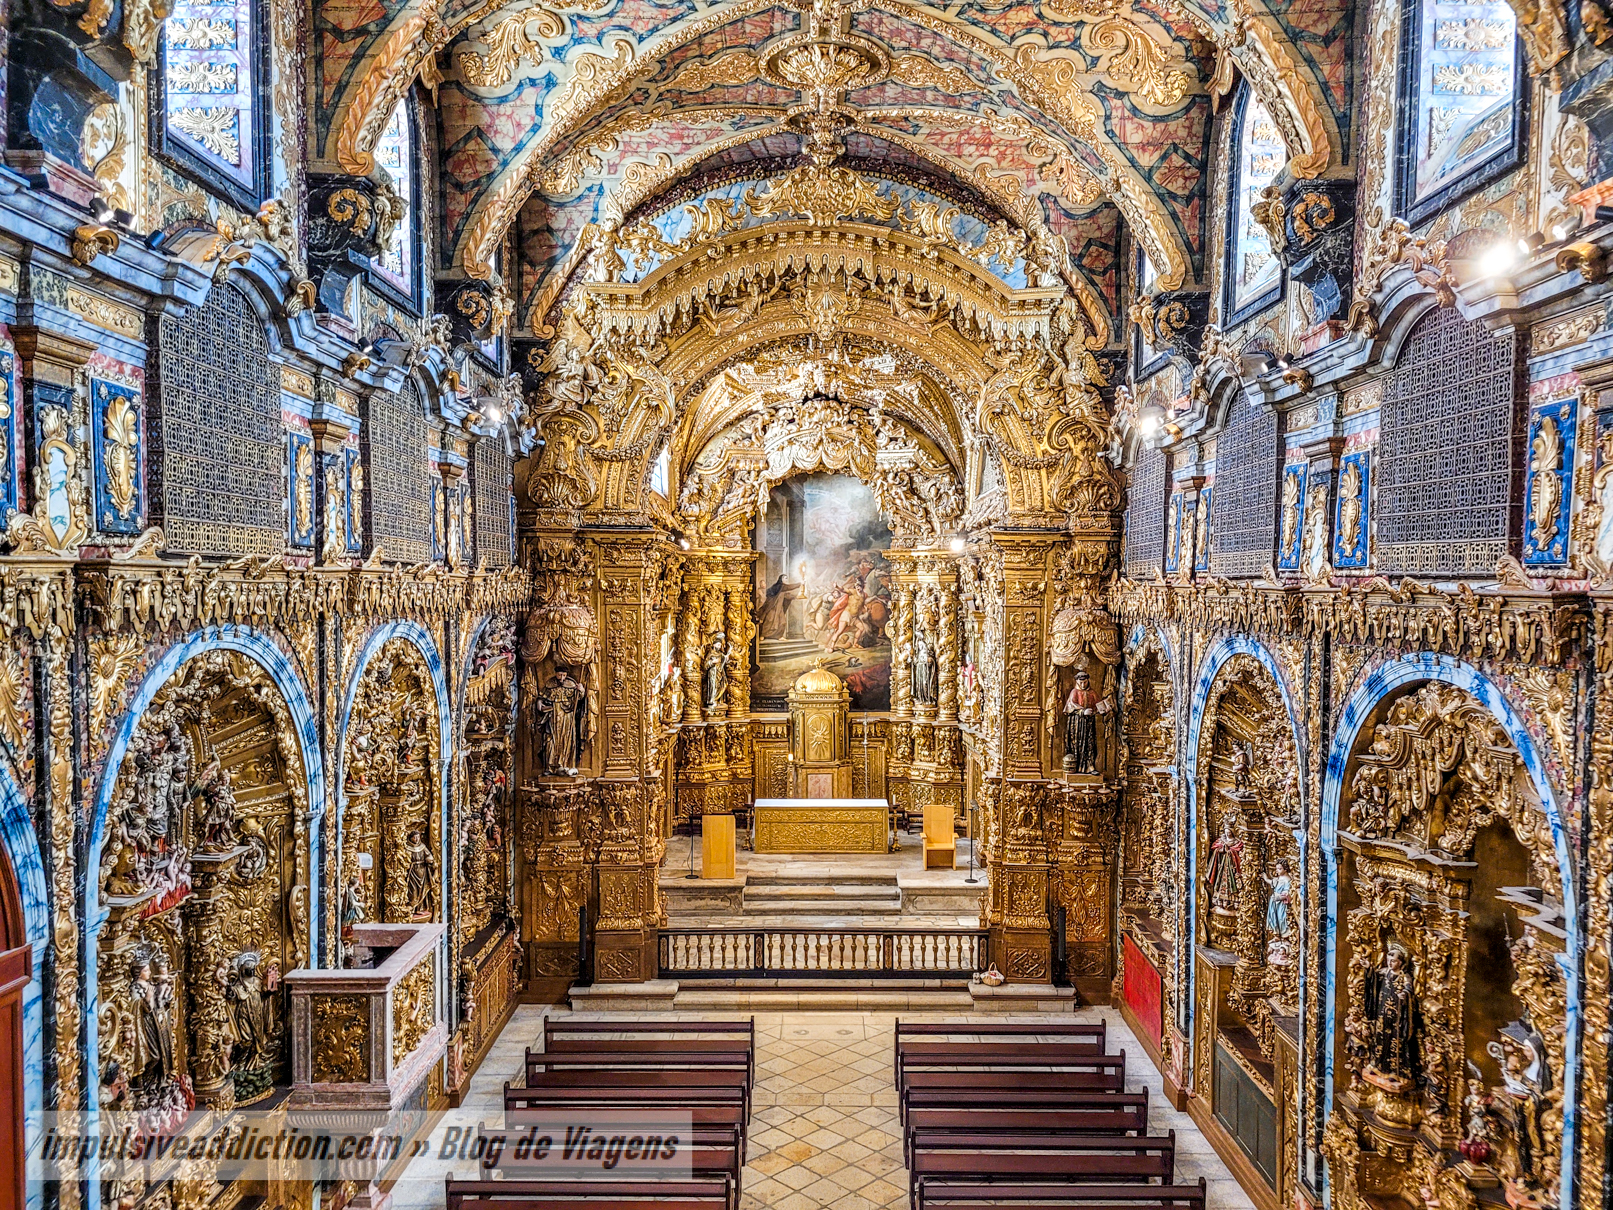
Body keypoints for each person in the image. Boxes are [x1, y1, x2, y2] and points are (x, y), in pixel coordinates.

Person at [1364, 943, 1420, 1084]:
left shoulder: (1404, 976)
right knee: (1380, 1039)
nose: (1390, 963)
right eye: (1389, 959)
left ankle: (1395, 1071)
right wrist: (1368, 968)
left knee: (1395, 1042)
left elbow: (1409, 989)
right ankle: (1378, 1065)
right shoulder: (1385, 971)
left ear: (1401, 962)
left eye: (1393, 960)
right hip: (1383, 1013)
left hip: (1397, 1016)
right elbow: (1374, 979)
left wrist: (1405, 995)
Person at [1063, 668, 1110, 772]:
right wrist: (1082, 711)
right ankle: (1077, 766)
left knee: (1089, 744)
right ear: (1077, 682)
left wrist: (1104, 709)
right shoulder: (1074, 692)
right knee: (1078, 744)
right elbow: (1070, 707)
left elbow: (1097, 705)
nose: (1083, 685)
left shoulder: (1092, 692)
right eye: (1081, 682)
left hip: (1089, 722)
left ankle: (1089, 766)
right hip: (1077, 723)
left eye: (1085, 682)